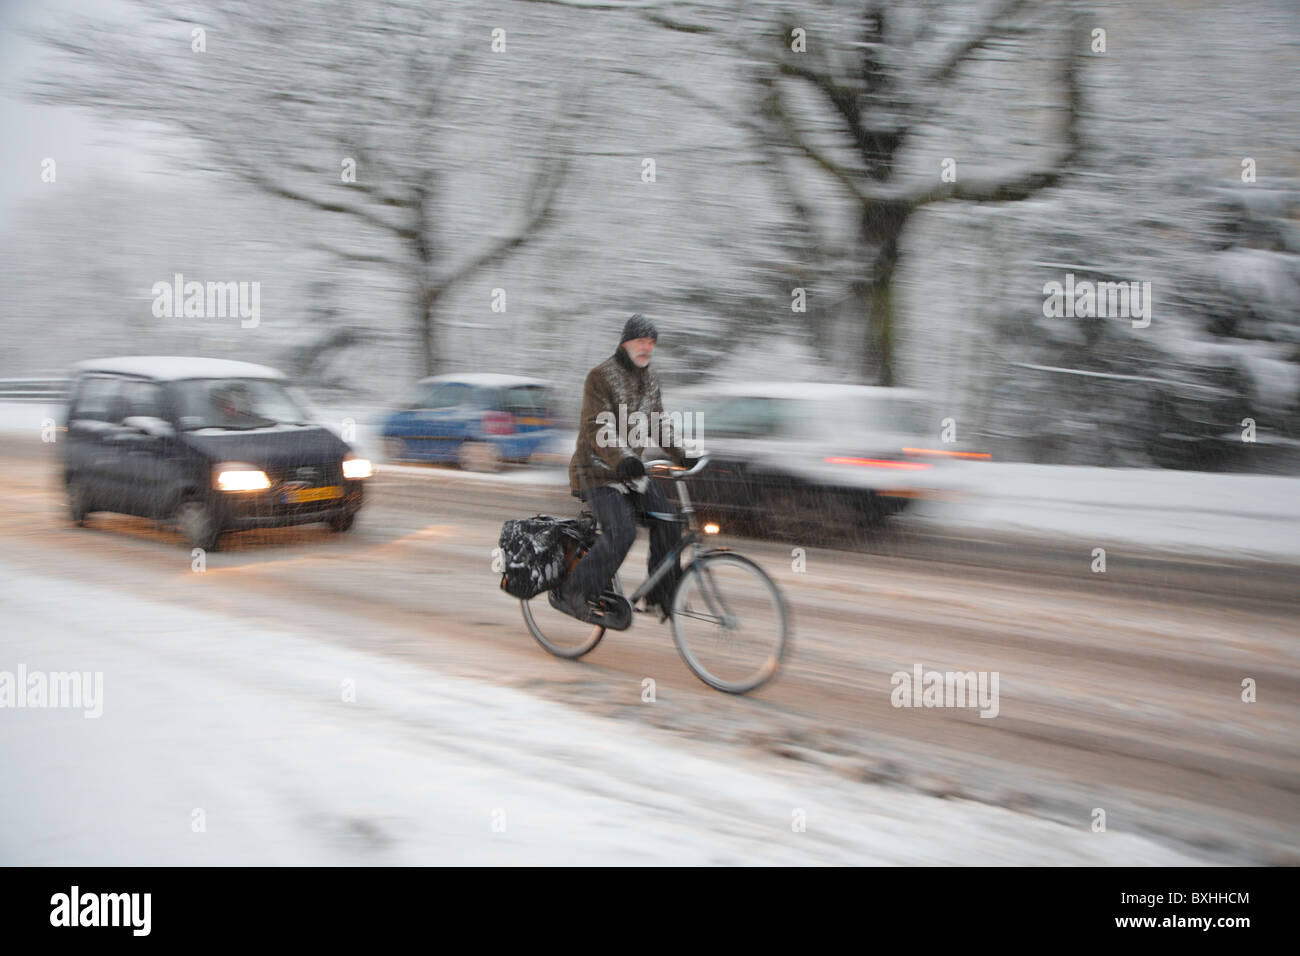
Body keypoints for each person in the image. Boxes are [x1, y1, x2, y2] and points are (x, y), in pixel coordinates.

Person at [553, 314, 689, 623]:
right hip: (597, 471)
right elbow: (596, 425)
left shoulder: (651, 378)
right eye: (641, 341)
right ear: (625, 342)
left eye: (651, 343)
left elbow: (657, 421)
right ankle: (574, 590)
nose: (647, 348)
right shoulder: (600, 377)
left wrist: (682, 453)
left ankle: (659, 597)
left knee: (670, 522)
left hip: (632, 473)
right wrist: (622, 458)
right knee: (621, 532)